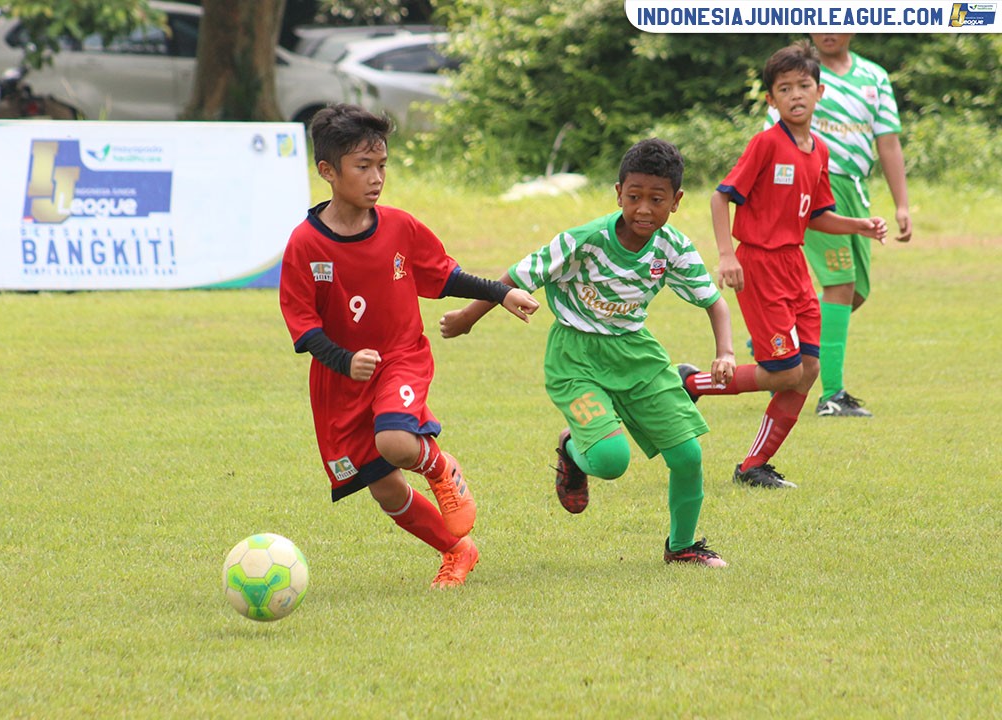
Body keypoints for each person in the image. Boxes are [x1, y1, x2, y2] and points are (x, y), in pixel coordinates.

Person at [278, 104, 540, 589]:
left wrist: (501, 292)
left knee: (396, 442)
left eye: (382, 165)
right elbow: (303, 325)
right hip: (342, 381)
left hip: (401, 358)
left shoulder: (399, 226)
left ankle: (442, 468)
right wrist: (344, 360)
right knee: (384, 487)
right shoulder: (305, 244)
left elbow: (444, 275)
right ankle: (457, 550)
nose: (376, 177)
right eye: (363, 167)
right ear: (327, 172)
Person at [441, 138, 732, 567]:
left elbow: (714, 302)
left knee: (688, 455)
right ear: (618, 193)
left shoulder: (673, 247)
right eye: (634, 197)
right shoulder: (584, 240)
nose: (644, 209)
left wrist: (725, 352)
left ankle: (682, 547)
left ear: (676, 201)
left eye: (657, 199)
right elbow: (518, 275)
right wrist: (469, 316)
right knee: (611, 461)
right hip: (575, 357)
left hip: (637, 354)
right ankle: (574, 451)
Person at [679, 41, 887, 489]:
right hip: (759, 264)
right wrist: (727, 254)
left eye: (804, 86)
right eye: (784, 88)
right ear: (771, 99)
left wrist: (860, 225)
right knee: (786, 371)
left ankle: (754, 466)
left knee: (807, 371)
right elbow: (721, 196)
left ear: (819, 92)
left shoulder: (820, 152)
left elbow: (817, 216)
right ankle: (693, 383)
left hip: (794, 265)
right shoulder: (766, 143)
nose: (796, 95)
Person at [766, 33, 912, 417]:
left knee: (856, 292)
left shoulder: (874, 77)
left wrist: (902, 205)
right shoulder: (793, 73)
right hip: (811, 185)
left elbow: (889, 142)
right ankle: (831, 395)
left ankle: (780, 338)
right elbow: (772, 137)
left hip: (855, 190)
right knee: (840, 284)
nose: (829, 27)